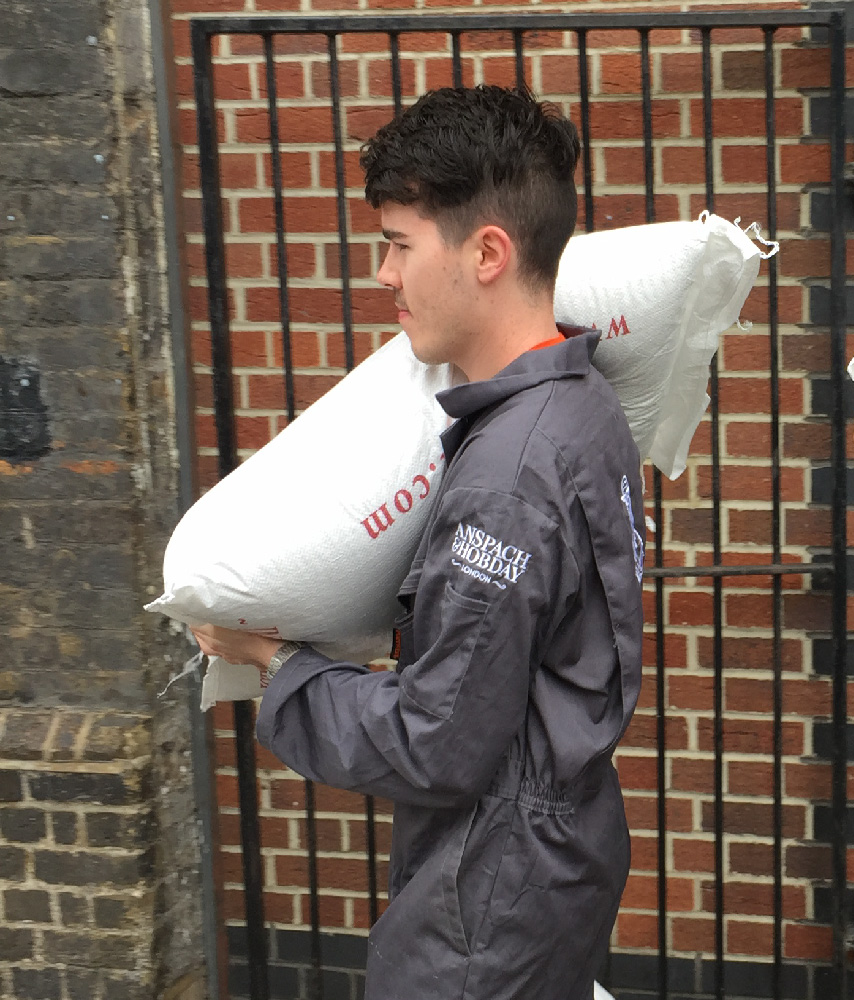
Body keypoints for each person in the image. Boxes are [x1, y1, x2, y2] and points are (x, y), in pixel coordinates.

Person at [191, 85, 645, 999]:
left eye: (400, 244)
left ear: (486, 252)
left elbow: (437, 744)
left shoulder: (508, 476)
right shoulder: (584, 408)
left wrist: (276, 667)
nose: (384, 275)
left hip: (486, 911)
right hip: (554, 865)